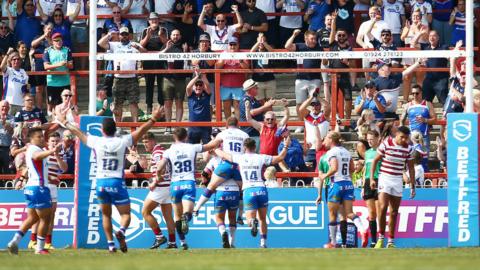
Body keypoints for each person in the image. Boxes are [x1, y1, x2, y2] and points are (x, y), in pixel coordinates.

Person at [57, 107, 165, 253]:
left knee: (106, 215)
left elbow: (78, 132)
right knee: (126, 214)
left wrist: (64, 121)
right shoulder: (122, 141)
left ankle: (111, 245)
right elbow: (140, 132)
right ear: (115, 129)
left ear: (102, 130)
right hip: (117, 182)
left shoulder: (96, 141)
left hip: (101, 182)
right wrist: (153, 118)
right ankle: (121, 231)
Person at [214, 137, 290, 248]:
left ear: (244, 147)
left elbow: (226, 156)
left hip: (248, 190)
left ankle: (253, 222)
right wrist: (286, 146)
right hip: (261, 189)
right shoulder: (261, 157)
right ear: (255, 147)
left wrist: (215, 148)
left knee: (250, 219)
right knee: (263, 218)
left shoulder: (240, 158)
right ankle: (263, 243)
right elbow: (280, 158)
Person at [153, 127, 216, 250]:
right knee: (187, 212)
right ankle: (185, 218)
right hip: (188, 182)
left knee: (176, 216)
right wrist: (220, 139)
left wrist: (158, 176)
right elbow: (209, 146)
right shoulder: (192, 147)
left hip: (175, 184)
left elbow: (160, 166)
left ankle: (182, 242)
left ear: (174, 137)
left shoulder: (169, 151)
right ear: (186, 137)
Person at [7, 127, 59, 255]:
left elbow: (32, 169)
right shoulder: (34, 149)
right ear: (32, 139)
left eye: (42, 136)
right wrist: (52, 151)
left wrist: (50, 177)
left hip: (31, 187)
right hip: (39, 188)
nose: (42, 138)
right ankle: (40, 248)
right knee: (45, 219)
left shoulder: (34, 149)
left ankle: (14, 241)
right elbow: (37, 156)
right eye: (39, 137)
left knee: (32, 218)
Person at [315, 131, 367, 248]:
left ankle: (333, 242)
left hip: (336, 184)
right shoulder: (346, 152)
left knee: (332, 214)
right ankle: (362, 230)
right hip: (348, 184)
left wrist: (324, 176)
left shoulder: (331, 153)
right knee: (349, 213)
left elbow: (334, 168)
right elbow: (353, 169)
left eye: (326, 139)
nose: (325, 142)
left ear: (331, 140)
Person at [193, 117, 249, 222]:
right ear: (238, 125)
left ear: (227, 125)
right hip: (239, 166)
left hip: (226, 164)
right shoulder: (245, 135)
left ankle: (196, 208)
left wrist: (200, 148)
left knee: (211, 186)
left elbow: (212, 145)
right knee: (243, 190)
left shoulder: (223, 134)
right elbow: (248, 150)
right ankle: (240, 216)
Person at [370, 126, 415, 248]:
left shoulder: (409, 149)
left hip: (397, 180)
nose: (404, 140)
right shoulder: (386, 144)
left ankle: (391, 241)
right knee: (383, 207)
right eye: (402, 137)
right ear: (396, 135)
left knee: (394, 212)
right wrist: (372, 179)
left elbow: (411, 167)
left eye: (406, 138)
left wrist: (412, 186)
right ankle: (380, 238)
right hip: (385, 177)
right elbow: (375, 161)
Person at [28, 132, 68, 250]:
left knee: (51, 216)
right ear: (48, 142)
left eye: (56, 141)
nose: (54, 143)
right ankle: (33, 240)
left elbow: (64, 168)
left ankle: (48, 242)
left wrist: (57, 155)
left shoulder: (60, 153)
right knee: (37, 216)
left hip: (52, 188)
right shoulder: (41, 151)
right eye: (52, 141)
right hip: (41, 185)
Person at [98, 26, 146, 122]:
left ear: (129, 35)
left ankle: (135, 126)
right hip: (118, 78)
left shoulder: (134, 44)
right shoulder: (114, 45)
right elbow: (100, 43)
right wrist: (109, 34)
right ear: (119, 35)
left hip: (132, 78)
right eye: (122, 34)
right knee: (117, 103)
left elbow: (146, 53)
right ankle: (118, 126)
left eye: (126, 34)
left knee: (133, 103)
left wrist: (137, 47)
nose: (124, 36)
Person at [141, 132, 176, 249]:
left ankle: (159, 237)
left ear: (152, 141)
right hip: (168, 187)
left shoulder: (157, 153)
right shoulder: (161, 151)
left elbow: (163, 170)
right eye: (143, 142)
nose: (145, 145)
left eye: (146, 142)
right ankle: (172, 242)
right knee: (168, 216)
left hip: (160, 187)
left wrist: (154, 182)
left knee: (145, 212)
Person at [285, 29, 323, 129]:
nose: (314, 40)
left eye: (315, 39)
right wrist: (293, 35)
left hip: (315, 79)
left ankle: (313, 122)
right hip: (301, 79)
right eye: (312, 38)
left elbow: (325, 63)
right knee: (299, 103)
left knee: (315, 103)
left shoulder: (319, 48)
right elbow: (287, 46)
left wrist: (326, 60)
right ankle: (301, 124)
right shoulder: (300, 46)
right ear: (306, 38)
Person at [202, 150, 240, 248]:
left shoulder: (213, 160)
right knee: (232, 218)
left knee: (219, 218)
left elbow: (204, 175)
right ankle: (232, 242)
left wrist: (209, 187)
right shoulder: (233, 158)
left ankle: (223, 232)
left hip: (220, 191)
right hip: (234, 191)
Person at [159, 29, 188, 130]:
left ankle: (178, 127)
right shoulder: (166, 45)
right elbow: (158, 56)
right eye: (173, 35)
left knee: (179, 102)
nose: (175, 36)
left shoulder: (184, 46)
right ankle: (168, 126)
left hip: (180, 79)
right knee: (167, 103)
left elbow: (188, 63)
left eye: (177, 35)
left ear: (180, 36)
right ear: (170, 36)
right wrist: (166, 48)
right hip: (167, 79)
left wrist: (185, 52)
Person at [140, 12, 168, 114]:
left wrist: (161, 36)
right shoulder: (145, 30)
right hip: (148, 60)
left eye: (156, 19)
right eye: (152, 20)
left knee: (161, 85)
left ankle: (161, 108)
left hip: (161, 60)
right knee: (149, 85)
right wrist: (148, 36)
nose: (154, 21)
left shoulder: (163, 30)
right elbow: (141, 46)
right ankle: (149, 108)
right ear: (149, 21)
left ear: (158, 20)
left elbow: (167, 44)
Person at [216, 37, 249, 120]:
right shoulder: (223, 54)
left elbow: (247, 68)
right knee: (226, 106)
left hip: (239, 85)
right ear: (228, 45)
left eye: (234, 44)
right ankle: (228, 125)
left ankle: (237, 125)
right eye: (231, 44)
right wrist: (223, 60)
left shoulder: (242, 54)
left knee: (237, 106)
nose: (232, 46)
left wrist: (241, 61)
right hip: (225, 85)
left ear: (238, 45)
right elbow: (217, 67)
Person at [43, 32, 74, 113]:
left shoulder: (67, 50)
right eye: (56, 40)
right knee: (52, 106)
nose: (58, 42)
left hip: (65, 82)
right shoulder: (47, 51)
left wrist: (66, 64)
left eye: (60, 40)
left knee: (66, 104)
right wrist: (59, 64)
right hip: (52, 82)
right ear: (52, 42)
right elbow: (46, 67)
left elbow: (71, 65)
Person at [400, 84, 436, 153]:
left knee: (424, 158)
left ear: (421, 93)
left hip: (424, 136)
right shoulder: (408, 105)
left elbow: (434, 119)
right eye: (413, 93)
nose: (414, 95)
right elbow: (402, 120)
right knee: (412, 159)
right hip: (411, 136)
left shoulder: (427, 104)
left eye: (417, 93)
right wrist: (402, 133)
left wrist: (425, 120)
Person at [298, 94, 330, 171]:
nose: (315, 107)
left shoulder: (324, 115)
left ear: (320, 106)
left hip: (323, 148)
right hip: (310, 148)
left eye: (317, 105)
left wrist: (318, 97)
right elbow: (301, 109)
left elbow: (328, 107)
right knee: (308, 171)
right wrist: (311, 97)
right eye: (313, 105)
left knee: (323, 170)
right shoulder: (308, 115)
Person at [239, 79, 275, 147]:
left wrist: (268, 105)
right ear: (249, 90)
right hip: (250, 132)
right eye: (255, 87)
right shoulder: (246, 100)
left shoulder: (253, 99)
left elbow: (260, 111)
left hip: (255, 131)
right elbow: (252, 113)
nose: (258, 88)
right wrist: (265, 106)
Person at [418, 30, 450, 105]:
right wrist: (420, 33)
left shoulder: (444, 47)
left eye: (434, 36)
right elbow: (413, 44)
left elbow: (451, 58)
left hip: (441, 80)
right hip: (428, 79)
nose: (432, 38)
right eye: (430, 36)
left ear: (438, 37)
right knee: (425, 103)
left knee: (445, 102)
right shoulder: (425, 48)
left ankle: (445, 116)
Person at [362, 129, 381, 248]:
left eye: (371, 139)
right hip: (368, 182)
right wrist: (363, 186)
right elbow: (365, 170)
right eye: (368, 139)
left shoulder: (382, 151)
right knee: (372, 213)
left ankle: (381, 238)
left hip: (379, 181)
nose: (369, 141)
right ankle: (373, 241)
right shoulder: (367, 153)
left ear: (377, 138)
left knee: (380, 213)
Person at [186, 71, 212, 144]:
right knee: (191, 149)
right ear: (194, 86)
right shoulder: (191, 95)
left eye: (200, 85)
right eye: (196, 85)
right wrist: (197, 77)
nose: (198, 87)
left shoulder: (206, 95)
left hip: (205, 126)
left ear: (203, 87)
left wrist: (203, 76)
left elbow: (208, 85)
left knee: (208, 149)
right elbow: (188, 87)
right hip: (193, 127)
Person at [250, 33, 276, 104]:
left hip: (269, 80)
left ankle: (269, 115)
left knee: (270, 103)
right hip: (257, 81)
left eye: (263, 41)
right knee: (260, 103)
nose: (261, 43)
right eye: (259, 41)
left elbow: (272, 51)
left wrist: (263, 42)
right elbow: (251, 52)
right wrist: (259, 42)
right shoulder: (255, 51)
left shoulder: (268, 51)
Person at [1, 47, 29, 112]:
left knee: (19, 122)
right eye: (14, 59)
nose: (16, 61)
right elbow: (2, 67)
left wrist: (27, 89)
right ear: (11, 61)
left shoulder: (23, 72)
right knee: (8, 122)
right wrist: (7, 54)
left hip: (21, 104)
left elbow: (25, 89)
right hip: (9, 103)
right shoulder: (8, 70)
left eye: (18, 59)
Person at [0, 100, 14, 174]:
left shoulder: (12, 118)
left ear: (9, 108)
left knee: (7, 171)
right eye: (3, 106)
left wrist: (5, 123)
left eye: (6, 107)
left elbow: (13, 132)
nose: (4, 108)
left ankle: (8, 185)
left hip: (7, 148)